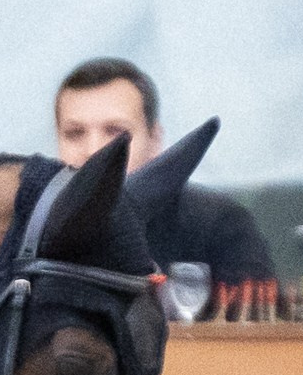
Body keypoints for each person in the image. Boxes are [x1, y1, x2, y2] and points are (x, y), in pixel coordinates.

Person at [54, 56, 274, 289]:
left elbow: (259, 320)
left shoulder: (219, 225)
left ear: (154, 140)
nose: (94, 150)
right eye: (75, 133)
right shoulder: (32, 227)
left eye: (115, 133)